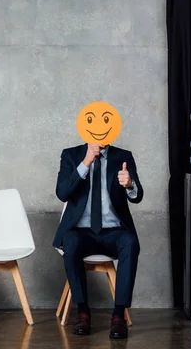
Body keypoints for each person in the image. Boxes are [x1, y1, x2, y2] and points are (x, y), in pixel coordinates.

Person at [54, 143, 143, 340]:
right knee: (70, 243)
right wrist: (86, 162)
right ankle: (83, 312)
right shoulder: (70, 155)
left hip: (114, 231)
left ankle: (118, 316)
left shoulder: (123, 155)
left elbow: (137, 197)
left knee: (130, 242)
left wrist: (130, 185)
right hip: (81, 231)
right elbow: (62, 193)